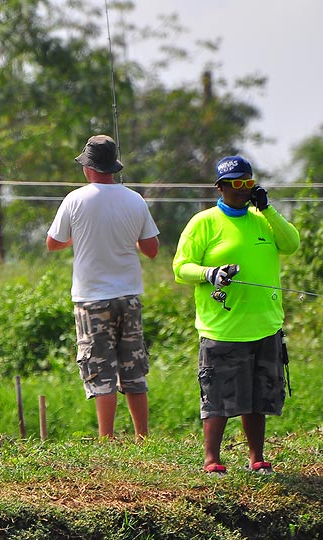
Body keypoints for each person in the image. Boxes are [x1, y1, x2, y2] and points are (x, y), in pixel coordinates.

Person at [172, 155, 300, 475]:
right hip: (223, 329)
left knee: (258, 398)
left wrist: (267, 208)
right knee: (217, 397)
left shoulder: (263, 220)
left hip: (265, 326)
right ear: (221, 188)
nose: (244, 190)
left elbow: (291, 243)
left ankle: (256, 458)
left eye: (248, 183)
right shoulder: (203, 222)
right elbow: (180, 268)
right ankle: (212, 459)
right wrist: (210, 273)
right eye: (236, 184)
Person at [47, 135, 160, 438]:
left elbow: (53, 243)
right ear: (113, 167)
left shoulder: (75, 199)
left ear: (89, 167)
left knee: (100, 371)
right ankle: (142, 437)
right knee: (133, 367)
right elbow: (151, 249)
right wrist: (129, 236)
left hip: (92, 298)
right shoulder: (135, 199)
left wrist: (79, 237)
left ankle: (107, 438)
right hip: (129, 295)